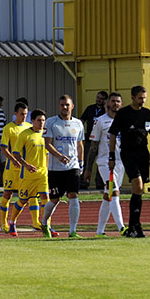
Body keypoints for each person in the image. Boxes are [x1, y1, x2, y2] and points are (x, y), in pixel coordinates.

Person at [108, 86, 150, 238]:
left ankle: (135, 226)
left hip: (143, 154)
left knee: (139, 190)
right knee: (137, 184)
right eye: (140, 98)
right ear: (132, 97)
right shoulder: (124, 113)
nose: (143, 101)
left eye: (144, 98)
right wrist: (111, 156)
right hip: (128, 153)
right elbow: (112, 135)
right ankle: (133, 226)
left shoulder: (146, 113)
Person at [41, 95, 85, 238]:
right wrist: (59, 156)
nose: (64, 108)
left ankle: (72, 231)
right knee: (55, 199)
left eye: (67, 105)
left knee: (73, 195)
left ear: (72, 106)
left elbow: (80, 145)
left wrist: (81, 163)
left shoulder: (78, 124)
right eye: (62, 105)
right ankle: (44, 222)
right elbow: (47, 144)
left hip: (73, 167)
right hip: (55, 169)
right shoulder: (51, 122)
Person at [84, 92, 126, 237]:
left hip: (121, 163)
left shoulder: (124, 120)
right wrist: (88, 169)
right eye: (113, 101)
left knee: (108, 196)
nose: (115, 104)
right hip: (105, 163)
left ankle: (100, 231)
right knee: (114, 191)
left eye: (118, 101)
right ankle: (122, 228)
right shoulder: (100, 121)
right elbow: (93, 146)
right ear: (107, 103)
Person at [7, 109, 49, 237]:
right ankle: (12, 221)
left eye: (43, 121)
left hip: (42, 174)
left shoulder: (46, 134)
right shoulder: (25, 135)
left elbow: (47, 153)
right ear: (32, 121)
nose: (41, 123)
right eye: (39, 120)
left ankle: (46, 225)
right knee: (23, 200)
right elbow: (16, 153)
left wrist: (47, 169)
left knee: (45, 199)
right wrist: (26, 165)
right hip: (27, 175)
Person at [0, 102, 30, 233]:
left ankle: (36, 222)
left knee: (29, 195)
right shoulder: (8, 128)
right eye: (22, 114)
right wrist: (13, 160)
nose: (24, 117)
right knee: (8, 193)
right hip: (12, 168)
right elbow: (4, 148)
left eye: (26, 114)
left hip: (25, 168)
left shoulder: (29, 127)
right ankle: (3, 223)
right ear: (15, 114)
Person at [80, 91, 108, 189]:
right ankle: (83, 183)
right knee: (87, 161)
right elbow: (82, 120)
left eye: (101, 98)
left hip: (101, 141)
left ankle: (100, 184)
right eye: (98, 97)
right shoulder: (90, 108)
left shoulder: (106, 111)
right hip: (90, 140)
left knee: (101, 162)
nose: (99, 100)